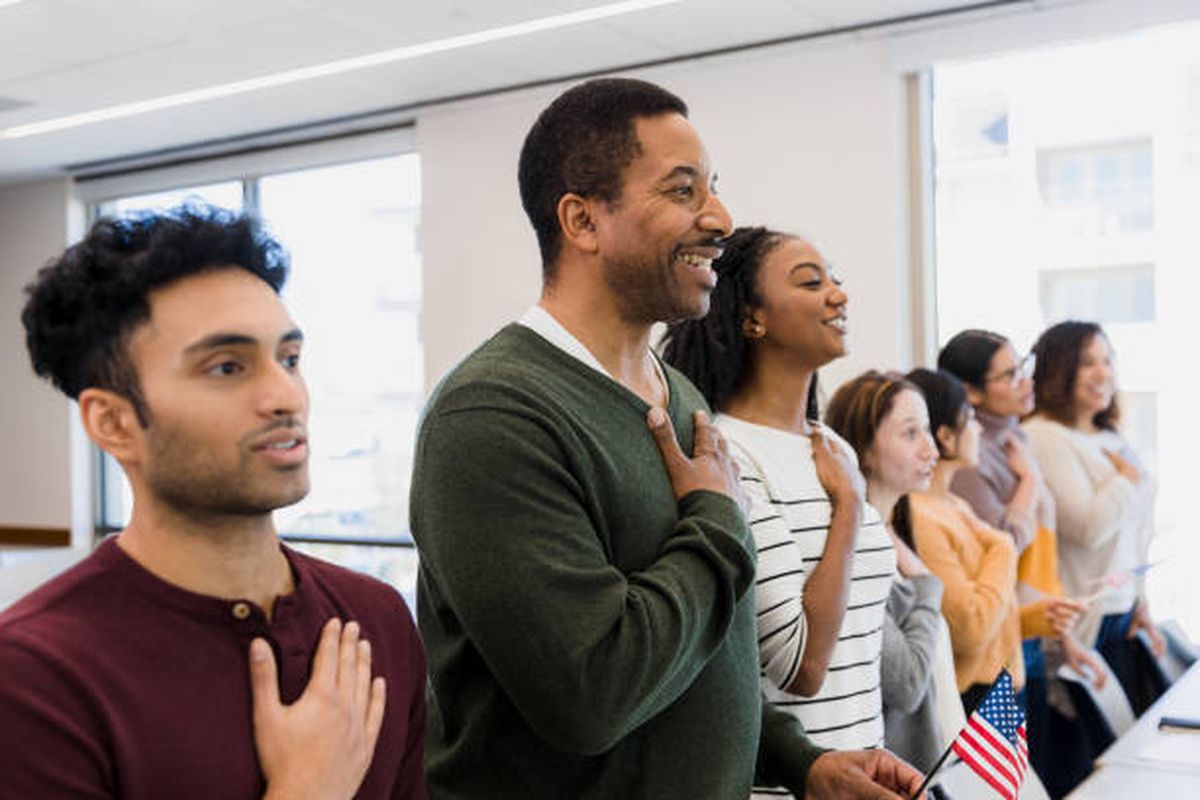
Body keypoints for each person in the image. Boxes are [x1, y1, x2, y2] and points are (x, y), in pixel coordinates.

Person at [409, 77, 925, 799]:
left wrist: (798, 760)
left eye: (712, 188)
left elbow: (710, 656)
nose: (719, 217)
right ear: (583, 222)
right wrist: (717, 522)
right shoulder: (494, 415)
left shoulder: (675, 394)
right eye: (682, 191)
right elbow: (593, 693)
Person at [0, 207, 427, 800]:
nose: (285, 395)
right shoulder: (34, 678)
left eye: (290, 359)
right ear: (114, 423)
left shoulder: (374, 619)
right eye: (227, 367)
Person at [661, 227, 896, 778]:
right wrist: (848, 509)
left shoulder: (830, 445)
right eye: (811, 282)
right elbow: (801, 664)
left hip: (864, 771)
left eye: (834, 279)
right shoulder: (728, 453)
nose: (838, 294)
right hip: (793, 783)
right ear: (751, 317)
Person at [939, 329, 1105, 795]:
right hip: (997, 645)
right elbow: (1002, 552)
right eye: (1009, 375)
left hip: (1029, 636)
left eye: (1022, 369)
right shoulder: (970, 457)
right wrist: (1028, 487)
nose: (1025, 382)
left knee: (1039, 781)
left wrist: (1062, 637)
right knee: (1010, 785)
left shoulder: (1014, 441)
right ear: (971, 391)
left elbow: (1039, 560)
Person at [825, 371, 963, 787]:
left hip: (930, 767)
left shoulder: (896, 533)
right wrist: (926, 584)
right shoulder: (853, 549)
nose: (931, 448)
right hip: (893, 777)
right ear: (864, 449)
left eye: (927, 429)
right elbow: (906, 681)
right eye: (910, 433)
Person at [1025, 320, 1167, 715]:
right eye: (1088, 362)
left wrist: (1141, 602)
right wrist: (1124, 481)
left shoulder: (1113, 438)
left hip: (1123, 610)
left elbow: (1136, 532)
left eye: (1108, 360)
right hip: (1082, 621)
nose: (1103, 372)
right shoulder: (1043, 436)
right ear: (1058, 369)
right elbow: (1087, 528)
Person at [902, 368, 1024, 712]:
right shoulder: (920, 515)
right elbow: (969, 629)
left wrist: (1036, 618)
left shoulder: (956, 505)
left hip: (1000, 685)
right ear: (946, 436)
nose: (980, 427)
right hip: (974, 696)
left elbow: (989, 608)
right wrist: (1004, 546)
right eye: (970, 418)